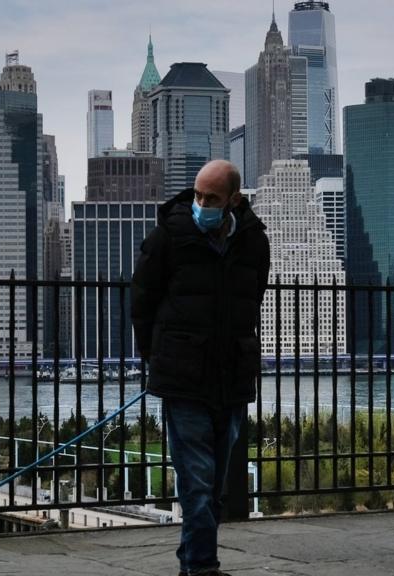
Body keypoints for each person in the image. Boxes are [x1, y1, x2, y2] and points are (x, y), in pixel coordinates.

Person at [132, 160, 270, 576]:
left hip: (232, 378)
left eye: (212, 198)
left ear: (233, 199)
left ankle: (190, 563)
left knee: (214, 485)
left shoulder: (254, 242)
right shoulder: (168, 237)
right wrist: (157, 359)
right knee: (196, 480)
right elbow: (142, 300)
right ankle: (203, 567)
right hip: (184, 378)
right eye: (198, 195)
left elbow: (253, 299)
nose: (202, 203)